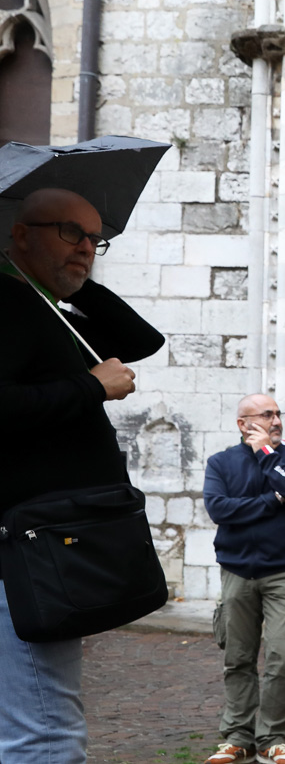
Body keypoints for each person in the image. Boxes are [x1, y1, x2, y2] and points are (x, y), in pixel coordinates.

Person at [0, 188, 164, 764]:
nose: (88, 248)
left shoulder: (42, 305)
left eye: (96, 239)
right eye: (70, 232)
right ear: (18, 233)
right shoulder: (6, 304)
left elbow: (144, 340)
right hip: (24, 550)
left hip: (47, 543)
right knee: (45, 732)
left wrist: (66, 271)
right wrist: (92, 386)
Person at [201, 395, 285, 764]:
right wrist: (272, 501)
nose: (277, 420)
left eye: (278, 414)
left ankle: (274, 739)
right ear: (243, 423)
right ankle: (237, 737)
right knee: (237, 657)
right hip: (237, 571)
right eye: (267, 415)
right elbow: (219, 509)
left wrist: (267, 454)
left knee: (282, 655)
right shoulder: (221, 463)